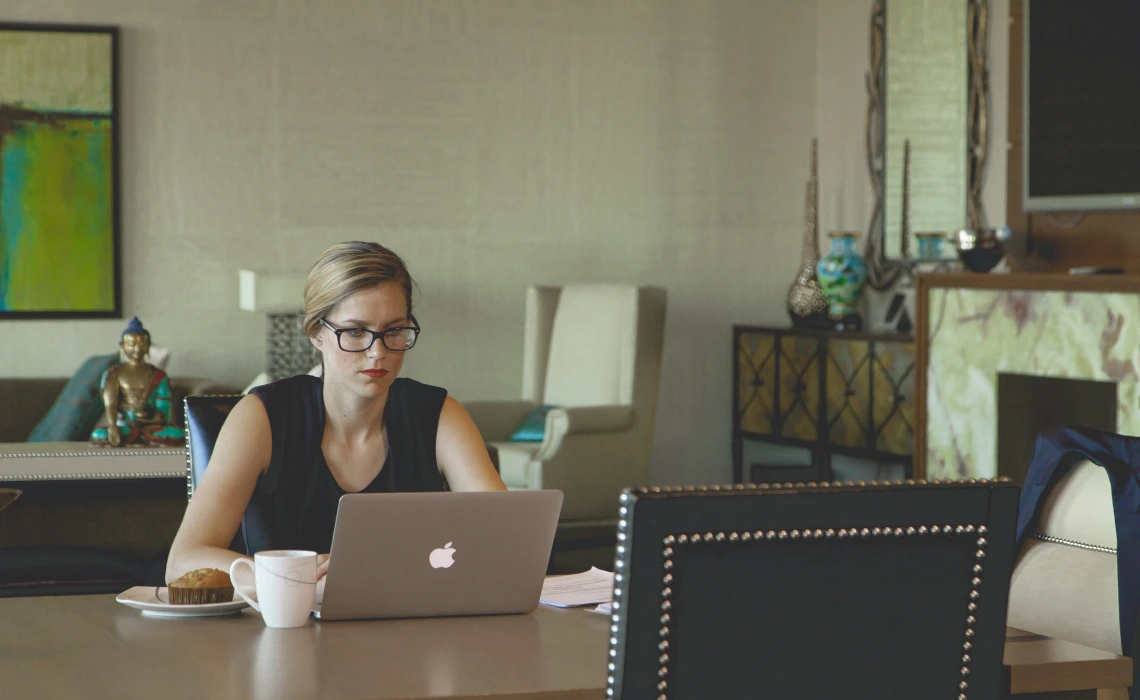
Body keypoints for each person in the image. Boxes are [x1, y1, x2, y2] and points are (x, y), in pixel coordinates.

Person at [166, 242, 506, 593]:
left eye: (393, 331)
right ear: (316, 333)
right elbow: (184, 560)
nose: (378, 352)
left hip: (411, 628)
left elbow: (508, 538)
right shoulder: (262, 416)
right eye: (355, 332)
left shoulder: (439, 414)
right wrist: (291, 574)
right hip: (284, 630)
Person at [90, 317, 184, 447]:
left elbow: (163, 407)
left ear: (148, 346)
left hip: (150, 427)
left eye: (142, 344)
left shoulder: (158, 375)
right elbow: (110, 404)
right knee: (99, 434)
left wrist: (153, 419)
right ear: (122, 346)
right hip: (124, 426)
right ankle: (137, 436)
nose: (137, 349)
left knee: (179, 433)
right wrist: (112, 426)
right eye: (132, 344)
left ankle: (139, 437)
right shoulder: (114, 373)